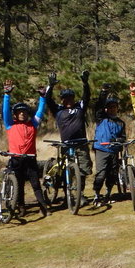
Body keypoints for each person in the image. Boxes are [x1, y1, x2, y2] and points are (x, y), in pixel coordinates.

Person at [1, 79, 49, 217]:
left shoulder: (33, 125)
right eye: (19, 112)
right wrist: (7, 95)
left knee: (35, 184)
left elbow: (40, 111)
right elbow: (5, 111)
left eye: (25, 112)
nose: (22, 114)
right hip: (16, 159)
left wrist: (42, 98)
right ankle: (21, 208)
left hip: (30, 159)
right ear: (15, 114)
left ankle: (43, 207)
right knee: (19, 184)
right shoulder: (10, 124)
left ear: (28, 114)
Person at [46, 70, 93, 200]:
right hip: (66, 145)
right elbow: (48, 100)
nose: (68, 100)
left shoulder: (80, 107)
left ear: (73, 98)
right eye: (65, 98)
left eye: (70, 98)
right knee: (68, 170)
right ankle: (69, 194)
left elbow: (86, 96)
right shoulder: (58, 110)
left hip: (81, 144)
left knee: (82, 170)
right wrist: (50, 86)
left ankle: (80, 194)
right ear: (62, 100)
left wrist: (85, 83)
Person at [92, 84, 126, 205]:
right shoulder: (101, 118)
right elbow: (99, 106)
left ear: (117, 108)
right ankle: (96, 194)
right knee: (101, 174)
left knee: (112, 174)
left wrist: (120, 140)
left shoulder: (121, 123)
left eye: (114, 107)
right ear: (106, 109)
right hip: (101, 149)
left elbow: (123, 137)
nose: (112, 109)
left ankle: (108, 193)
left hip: (114, 151)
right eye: (109, 107)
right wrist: (104, 92)